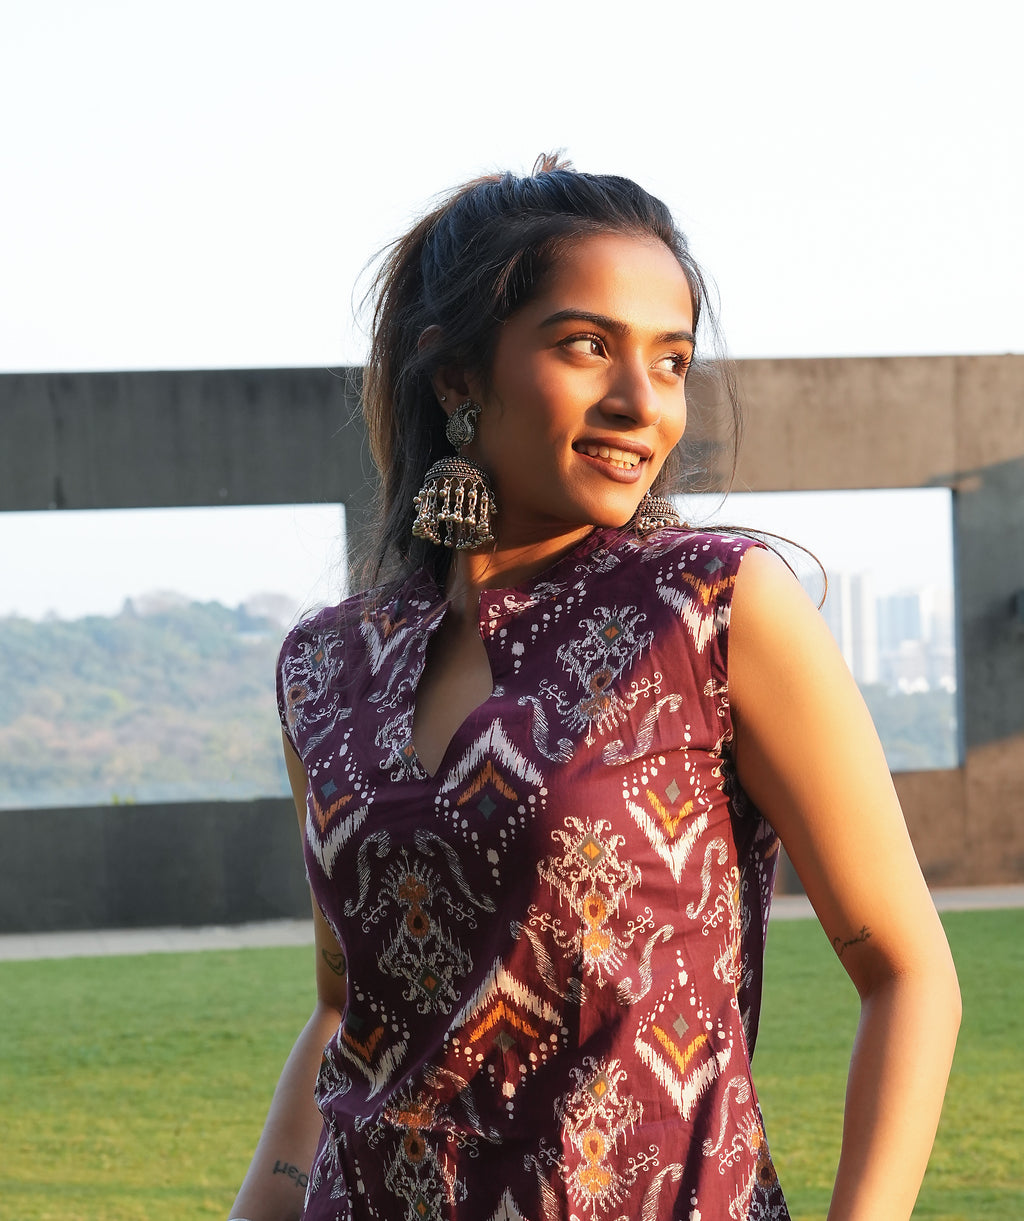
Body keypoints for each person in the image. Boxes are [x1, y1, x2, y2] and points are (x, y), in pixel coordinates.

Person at [228, 156, 960, 1221]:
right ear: (455, 378)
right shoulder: (325, 669)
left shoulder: (712, 609)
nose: (640, 403)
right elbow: (344, 1011)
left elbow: (908, 976)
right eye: (587, 345)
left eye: (671, 362)